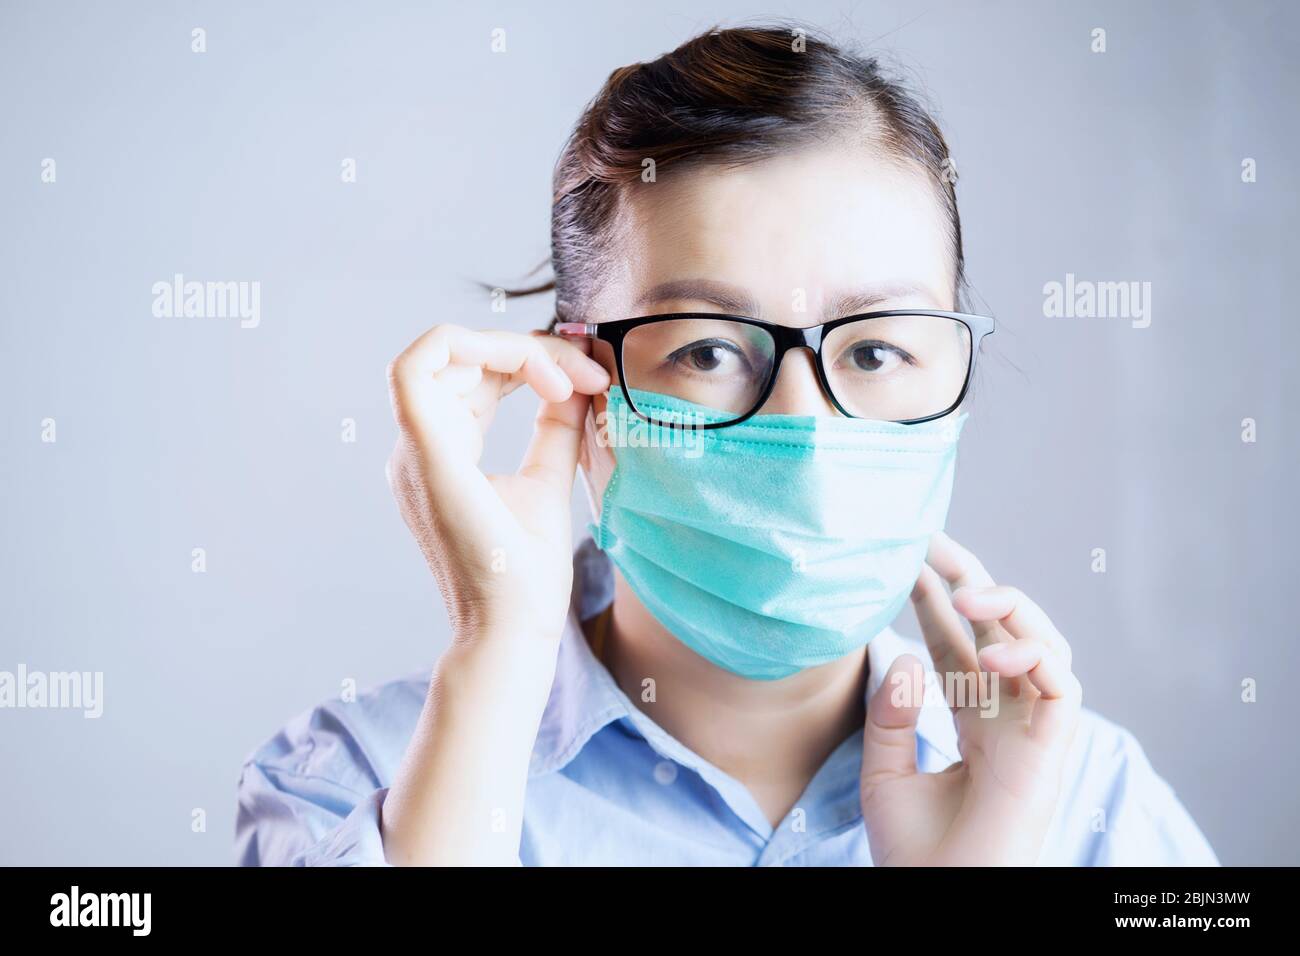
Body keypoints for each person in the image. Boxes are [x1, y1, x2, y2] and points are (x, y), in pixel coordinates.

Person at [236, 24, 1217, 866]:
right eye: (708, 349)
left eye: (875, 347)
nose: (805, 423)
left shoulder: (1095, 804)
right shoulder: (351, 779)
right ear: (576, 384)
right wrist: (495, 655)